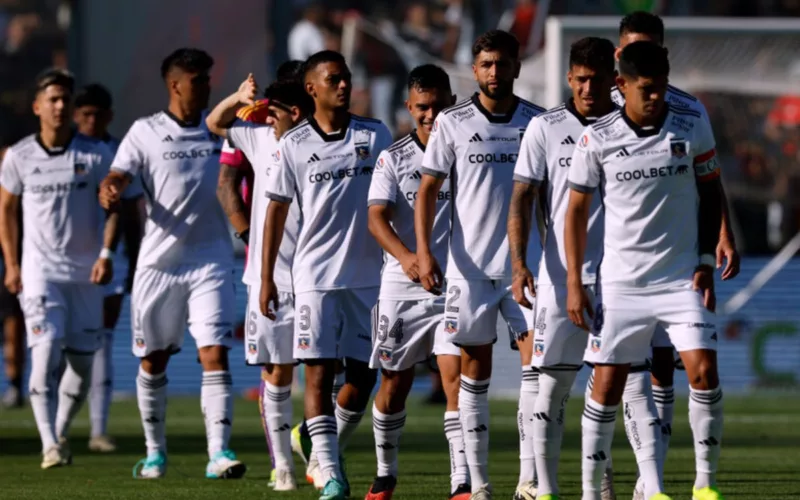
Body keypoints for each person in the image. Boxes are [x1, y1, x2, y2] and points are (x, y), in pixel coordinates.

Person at [565, 41, 725, 500]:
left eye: (661, 87)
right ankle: (591, 493)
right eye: (647, 89)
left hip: (680, 279)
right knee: (608, 386)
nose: (656, 97)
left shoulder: (691, 125)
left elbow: (711, 191)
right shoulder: (598, 138)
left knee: (703, 372)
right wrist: (576, 282)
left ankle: (704, 486)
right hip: (621, 285)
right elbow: (575, 212)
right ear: (622, 86)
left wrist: (706, 261)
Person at [607, 13, 740, 499]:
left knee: (670, 367)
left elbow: (709, 177)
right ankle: (632, 476)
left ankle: (656, 482)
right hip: (616, 266)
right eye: (630, 49)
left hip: (676, 261)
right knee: (628, 374)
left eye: (649, 48)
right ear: (617, 55)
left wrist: (720, 235)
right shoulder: (597, 110)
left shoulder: (687, 110)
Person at [98, 48, 245, 480]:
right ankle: (154, 453)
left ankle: (219, 454)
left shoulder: (222, 129)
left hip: (211, 261)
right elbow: (119, 175)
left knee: (215, 353)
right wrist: (110, 188)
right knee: (154, 360)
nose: (207, 87)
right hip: (158, 266)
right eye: (199, 80)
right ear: (175, 84)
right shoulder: (144, 132)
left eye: (209, 79)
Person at [415, 30, 544, 500]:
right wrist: (426, 251)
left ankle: (530, 480)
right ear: (475, 69)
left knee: (539, 372)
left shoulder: (537, 121)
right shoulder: (452, 121)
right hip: (468, 271)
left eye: (502, 63)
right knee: (474, 375)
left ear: (516, 67)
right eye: (486, 64)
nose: (495, 72)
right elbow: (428, 189)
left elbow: (549, 196)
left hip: (527, 268)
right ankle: (481, 483)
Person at [260, 49, 391, 500]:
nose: (343, 85)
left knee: (363, 379)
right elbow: (274, 213)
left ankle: (311, 440)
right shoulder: (293, 144)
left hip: (369, 279)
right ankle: (332, 474)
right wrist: (265, 278)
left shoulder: (375, 135)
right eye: (333, 79)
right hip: (314, 277)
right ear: (311, 88)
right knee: (316, 375)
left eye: (347, 78)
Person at [508, 37, 619, 500]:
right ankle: (542, 487)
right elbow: (521, 197)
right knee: (549, 386)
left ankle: (605, 483)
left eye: (597, 79)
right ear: (569, 78)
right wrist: (519, 263)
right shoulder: (544, 127)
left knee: (620, 388)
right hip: (560, 279)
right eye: (581, 79)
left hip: (621, 277)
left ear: (614, 80)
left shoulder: (629, 127)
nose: (588, 87)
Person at [0, 68, 117, 469]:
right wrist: (13, 265)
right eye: (53, 99)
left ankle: (61, 429)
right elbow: (6, 211)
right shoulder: (18, 156)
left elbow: (114, 207)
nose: (61, 106)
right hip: (40, 273)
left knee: (82, 366)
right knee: (45, 349)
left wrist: (106, 254)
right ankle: (49, 443)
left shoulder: (96, 153)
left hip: (86, 275)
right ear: (37, 107)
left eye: (65, 99)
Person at [364, 64, 469, 500]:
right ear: (409, 107)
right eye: (422, 107)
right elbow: (375, 217)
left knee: (455, 377)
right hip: (402, 286)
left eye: (438, 106)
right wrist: (406, 257)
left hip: (453, 284)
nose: (430, 115)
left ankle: (461, 480)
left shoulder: (468, 151)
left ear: (452, 103)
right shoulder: (394, 156)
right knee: (395, 383)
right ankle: (386, 473)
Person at [207, 74, 313, 491]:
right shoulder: (258, 139)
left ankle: (319, 455)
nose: (265, 119)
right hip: (266, 277)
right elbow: (215, 124)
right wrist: (237, 97)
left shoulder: (322, 142)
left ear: (295, 112)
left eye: (273, 113)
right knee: (277, 372)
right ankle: (283, 467)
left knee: (327, 373)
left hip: (316, 277)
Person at [72, 83, 142, 453]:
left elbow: (130, 212)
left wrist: (130, 258)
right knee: (61, 347)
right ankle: (55, 428)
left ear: (109, 116)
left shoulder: (118, 153)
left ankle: (98, 430)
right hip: (59, 263)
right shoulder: (58, 152)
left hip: (107, 260)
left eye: (98, 114)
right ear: (74, 115)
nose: (91, 120)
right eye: (85, 114)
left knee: (101, 341)